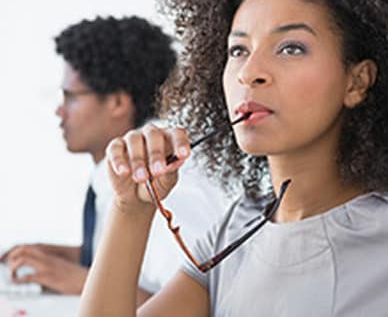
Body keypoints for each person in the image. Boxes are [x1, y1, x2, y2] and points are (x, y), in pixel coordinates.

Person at [79, 0, 388, 316]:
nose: (251, 72)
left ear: (357, 81)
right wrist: (132, 209)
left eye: (291, 48)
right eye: (238, 50)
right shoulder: (235, 232)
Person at [1, 16, 227, 302]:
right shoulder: (117, 174)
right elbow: (142, 265)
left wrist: (78, 280)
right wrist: (71, 257)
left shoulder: (165, 182)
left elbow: (196, 305)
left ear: (118, 103)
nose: (60, 111)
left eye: (70, 97)